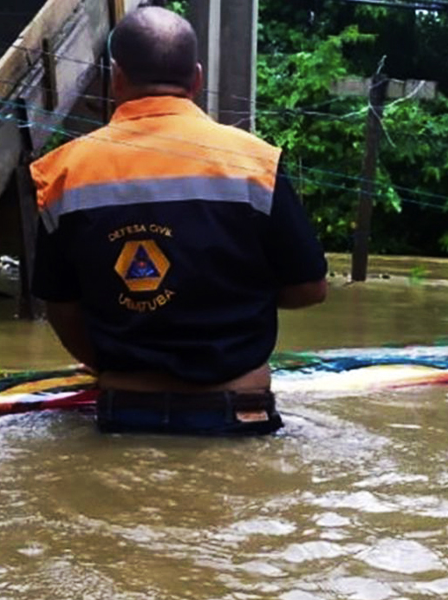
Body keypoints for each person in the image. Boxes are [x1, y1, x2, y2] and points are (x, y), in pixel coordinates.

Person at [30, 7, 327, 435]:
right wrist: (233, 292)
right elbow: (311, 288)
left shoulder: (61, 173)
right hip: (240, 410)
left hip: (124, 413)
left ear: (116, 77)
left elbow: (61, 307)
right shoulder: (256, 163)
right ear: (197, 78)